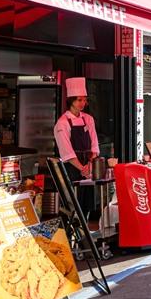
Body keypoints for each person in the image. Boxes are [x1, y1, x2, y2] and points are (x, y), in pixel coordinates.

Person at [53, 77, 99, 225]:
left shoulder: (89, 119)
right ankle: (71, 237)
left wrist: (90, 164)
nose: (83, 103)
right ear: (71, 100)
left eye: (85, 100)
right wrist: (81, 168)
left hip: (88, 166)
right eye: (79, 100)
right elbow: (66, 151)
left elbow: (94, 144)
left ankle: (83, 233)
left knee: (87, 203)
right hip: (72, 168)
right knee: (73, 204)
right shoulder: (62, 122)